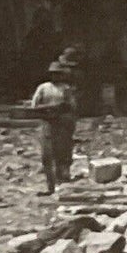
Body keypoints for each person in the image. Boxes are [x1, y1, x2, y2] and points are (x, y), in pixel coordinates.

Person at [29, 58, 77, 194]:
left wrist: (61, 110)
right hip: (47, 124)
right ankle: (50, 185)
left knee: (62, 153)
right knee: (47, 155)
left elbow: (71, 106)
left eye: (58, 74)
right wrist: (50, 108)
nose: (55, 76)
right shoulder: (43, 88)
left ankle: (63, 182)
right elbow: (34, 106)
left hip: (62, 124)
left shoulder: (66, 89)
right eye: (53, 74)